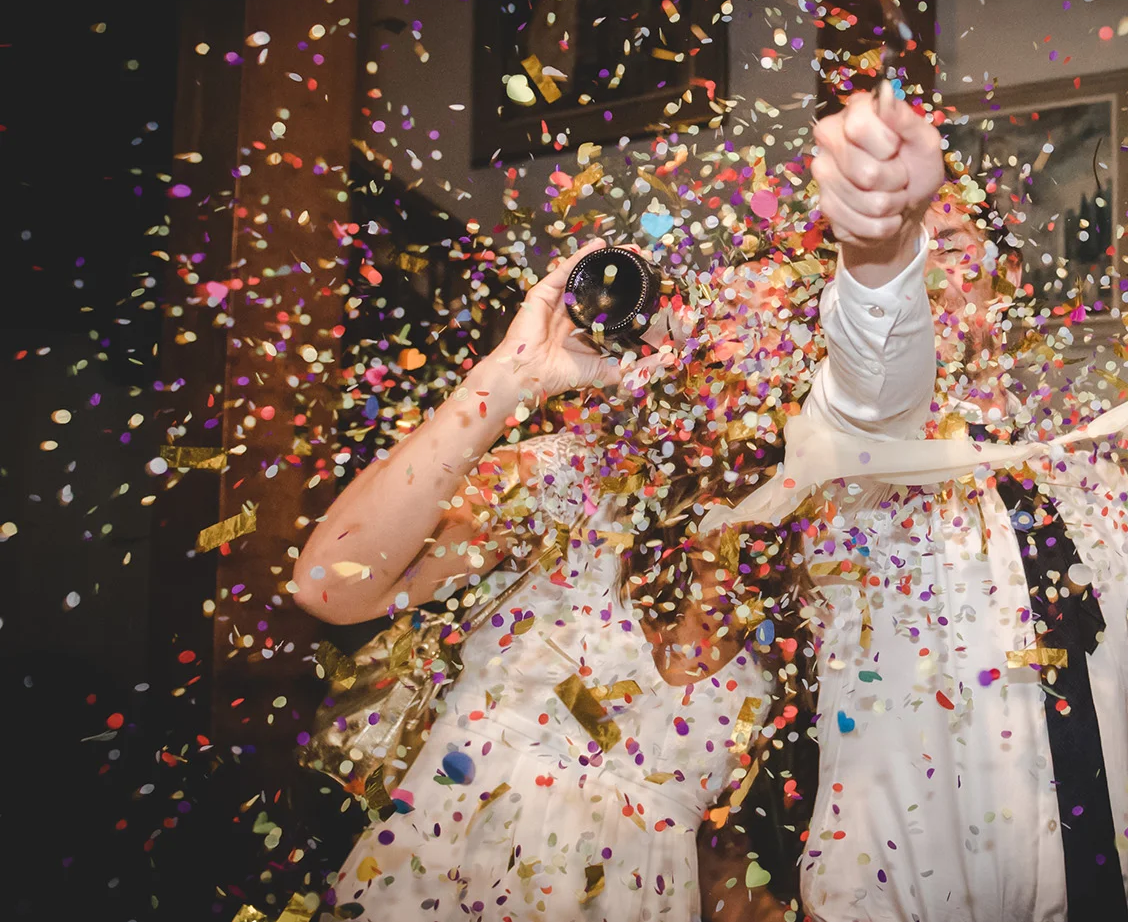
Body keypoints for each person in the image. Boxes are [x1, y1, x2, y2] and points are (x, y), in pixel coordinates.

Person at [789, 83, 1128, 920]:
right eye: (906, 255)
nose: (929, 278)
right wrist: (877, 258)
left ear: (1007, 274)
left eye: (944, 243)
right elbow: (878, 371)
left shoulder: (1086, 480)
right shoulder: (845, 457)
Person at [292, 242, 815, 922]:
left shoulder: (804, 573)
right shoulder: (582, 480)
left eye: (779, 326)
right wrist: (507, 377)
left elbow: (720, 838)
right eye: (726, 318)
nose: (746, 348)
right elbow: (331, 585)